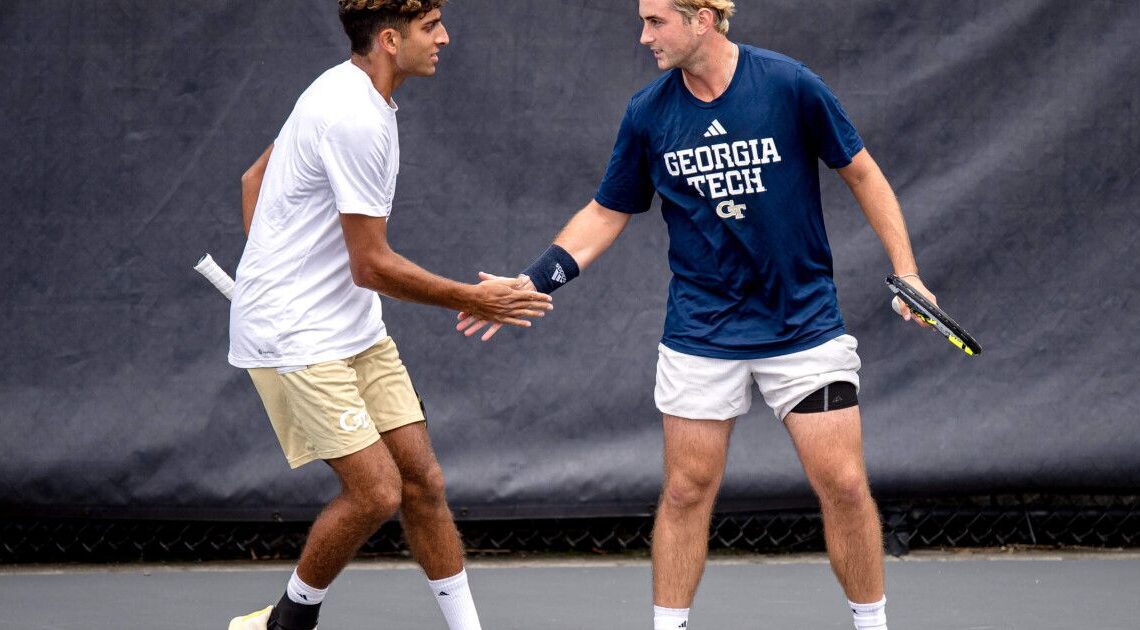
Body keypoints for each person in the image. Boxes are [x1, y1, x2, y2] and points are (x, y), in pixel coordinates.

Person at [460, 1, 937, 628]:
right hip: (702, 332)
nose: (644, 35)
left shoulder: (789, 85)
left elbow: (864, 173)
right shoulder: (649, 113)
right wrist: (534, 279)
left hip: (803, 326)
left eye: (657, 21)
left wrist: (907, 270)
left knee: (845, 484)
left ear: (702, 19)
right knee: (686, 491)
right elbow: (607, 211)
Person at [226, 1, 552, 629]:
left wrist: (273, 261)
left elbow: (253, 180)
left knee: (423, 481)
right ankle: (287, 624)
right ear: (388, 40)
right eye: (431, 28)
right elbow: (371, 265)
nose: (445, 38)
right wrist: (472, 296)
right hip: (298, 336)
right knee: (377, 491)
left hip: (351, 327)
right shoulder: (353, 116)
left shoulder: (343, 90)